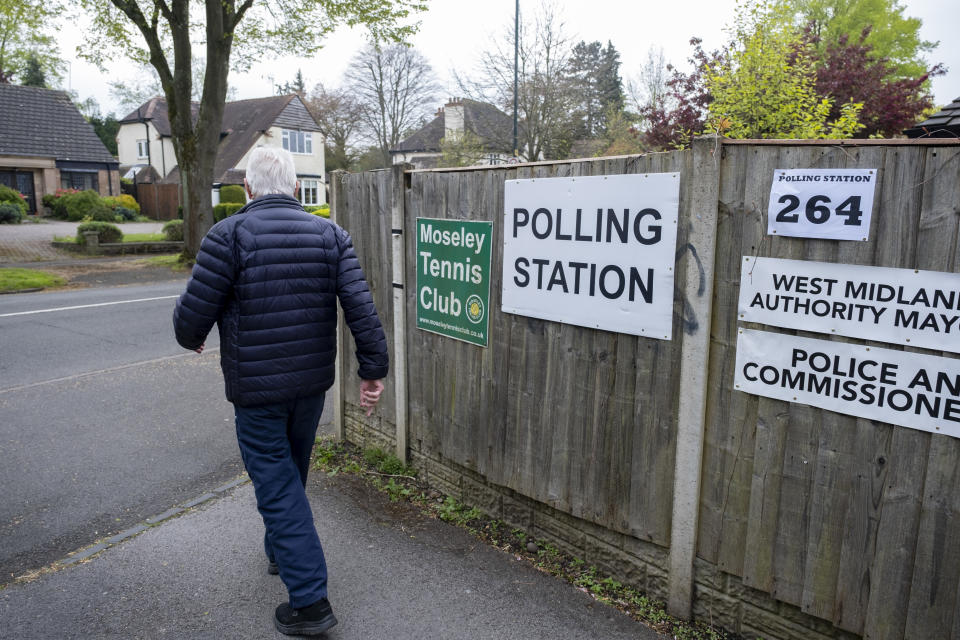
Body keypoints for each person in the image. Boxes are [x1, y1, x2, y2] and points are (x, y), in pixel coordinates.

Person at [172, 146, 388, 636]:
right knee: (290, 471)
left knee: (277, 485)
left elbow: (189, 324)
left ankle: (310, 601)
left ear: (248, 189)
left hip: (256, 390)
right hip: (311, 386)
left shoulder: (227, 236)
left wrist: (195, 333)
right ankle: (280, 553)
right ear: (295, 189)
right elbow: (361, 308)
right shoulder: (330, 234)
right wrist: (372, 371)